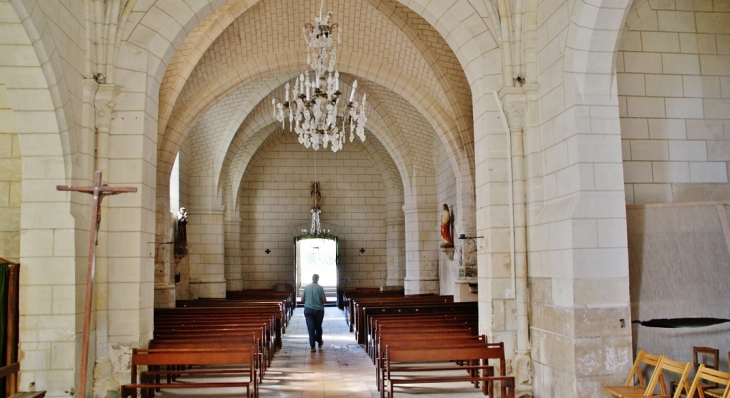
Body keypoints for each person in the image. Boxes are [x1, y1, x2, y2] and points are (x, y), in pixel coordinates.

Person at [301, 273, 326, 352]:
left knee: (311, 329)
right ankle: (319, 341)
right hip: (319, 310)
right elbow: (324, 300)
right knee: (318, 326)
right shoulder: (320, 288)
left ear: (312, 279)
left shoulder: (306, 287)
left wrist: (308, 302)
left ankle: (312, 347)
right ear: (318, 279)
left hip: (308, 310)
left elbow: (302, 300)